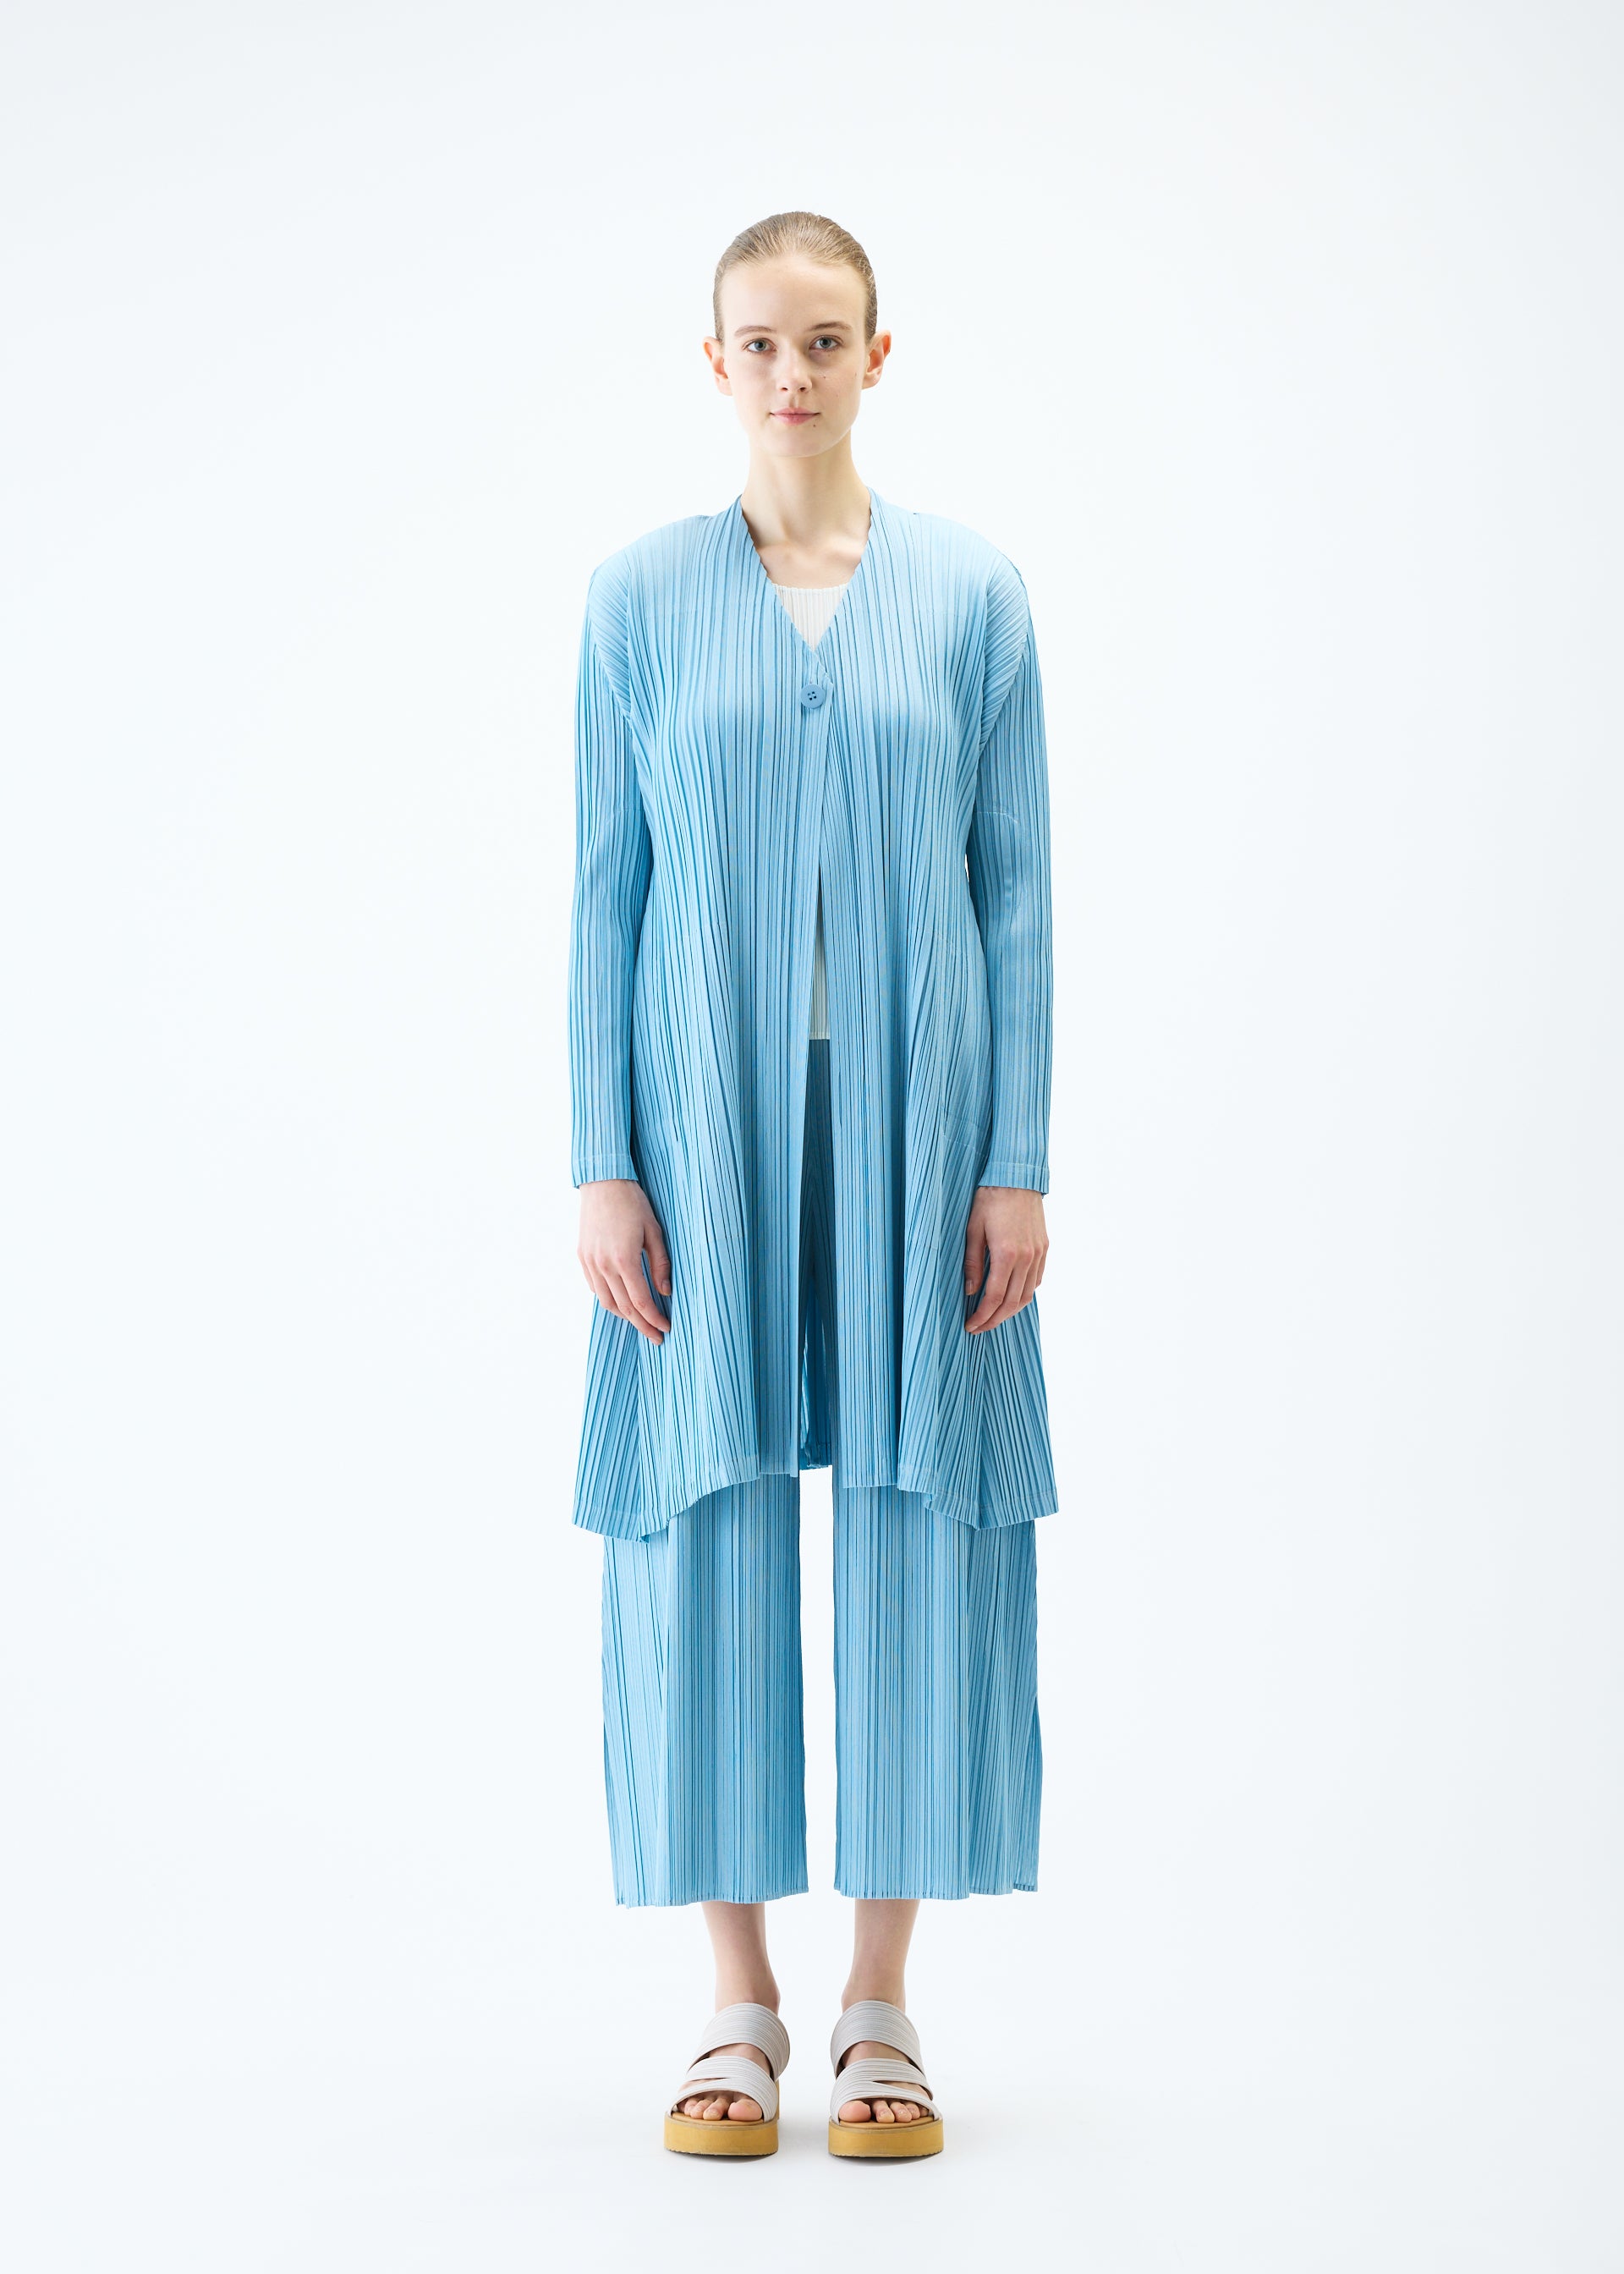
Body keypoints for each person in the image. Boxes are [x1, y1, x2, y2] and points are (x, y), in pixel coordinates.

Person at [567, 211, 1057, 2160]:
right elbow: (602, 898)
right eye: (761, 343)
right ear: (716, 363)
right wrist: (600, 1159)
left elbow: (1017, 897)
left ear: (878, 355)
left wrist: (1018, 1162)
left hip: (925, 1132)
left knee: (926, 1518)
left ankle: (879, 2003)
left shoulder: (972, 597)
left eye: (826, 339)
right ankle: (735, 2002)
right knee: (703, 1520)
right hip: (701, 1132)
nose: (794, 373)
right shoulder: (635, 601)